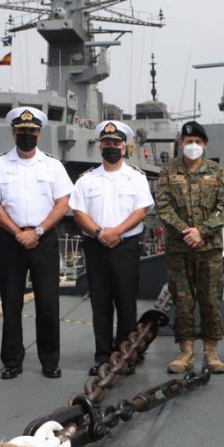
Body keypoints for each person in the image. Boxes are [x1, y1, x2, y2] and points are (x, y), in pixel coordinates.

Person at [0, 106, 73, 379]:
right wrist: (17, 231)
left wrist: (39, 231)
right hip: (11, 240)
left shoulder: (52, 166)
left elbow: (62, 203)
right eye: (22, 131)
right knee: (11, 303)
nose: (27, 135)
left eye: (32, 131)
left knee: (48, 303)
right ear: (13, 132)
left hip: (43, 240)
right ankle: (12, 361)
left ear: (39, 133)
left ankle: (50, 361)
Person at [70, 120, 154, 376]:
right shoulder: (87, 180)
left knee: (126, 302)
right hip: (96, 245)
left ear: (125, 146)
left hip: (125, 245)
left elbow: (142, 210)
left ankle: (125, 354)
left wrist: (116, 232)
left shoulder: (136, 177)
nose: (111, 147)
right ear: (99, 146)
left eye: (116, 143)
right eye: (106, 143)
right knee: (101, 303)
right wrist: (99, 232)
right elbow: (78, 212)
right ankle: (103, 356)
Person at [155, 121, 224, 374]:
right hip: (179, 249)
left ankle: (211, 352)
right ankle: (186, 351)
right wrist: (186, 232)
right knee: (183, 300)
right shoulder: (168, 171)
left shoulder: (216, 171)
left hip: (209, 248)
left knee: (210, 300)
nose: (193, 146)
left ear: (205, 144)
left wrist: (202, 231)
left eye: (197, 142)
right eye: (189, 142)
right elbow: (163, 207)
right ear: (181, 144)